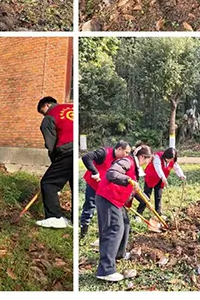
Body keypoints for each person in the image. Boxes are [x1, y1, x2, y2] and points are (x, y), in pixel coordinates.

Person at [95, 145, 153, 282]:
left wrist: (147, 201)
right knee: (114, 229)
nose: (146, 164)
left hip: (116, 201)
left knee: (125, 224)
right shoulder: (127, 162)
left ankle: (119, 254)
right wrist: (127, 180)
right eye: (147, 161)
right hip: (107, 198)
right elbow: (112, 174)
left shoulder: (134, 166)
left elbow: (134, 189)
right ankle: (105, 269)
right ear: (142, 157)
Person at [80, 140, 132, 238]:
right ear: (119, 149)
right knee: (89, 207)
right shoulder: (104, 153)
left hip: (105, 188)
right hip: (93, 184)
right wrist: (94, 172)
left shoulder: (121, 161)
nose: (126, 155)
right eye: (126, 152)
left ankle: (104, 232)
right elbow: (86, 157)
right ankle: (83, 233)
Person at [36, 97, 74, 229]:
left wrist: (55, 162)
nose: (44, 115)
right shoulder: (72, 107)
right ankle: (75, 220)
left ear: (46, 105)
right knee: (74, 185)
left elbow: (50, 144)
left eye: (43, 111)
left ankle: (54, 217)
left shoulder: (50, 117)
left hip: (67, 151)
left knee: (49, 183)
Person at [136, 147, 185, 216]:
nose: (170, 161)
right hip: (151, 177)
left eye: (171, 159)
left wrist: (181, 175)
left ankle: (158, 213)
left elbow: (176, 167)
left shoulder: (172, 160)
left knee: (158, 196)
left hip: (160, 180)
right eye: (168, 159)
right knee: (146, 196)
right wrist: (163, 177)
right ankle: (138, 214)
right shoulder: (157, 157)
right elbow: (158, 168)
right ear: (165, 156)